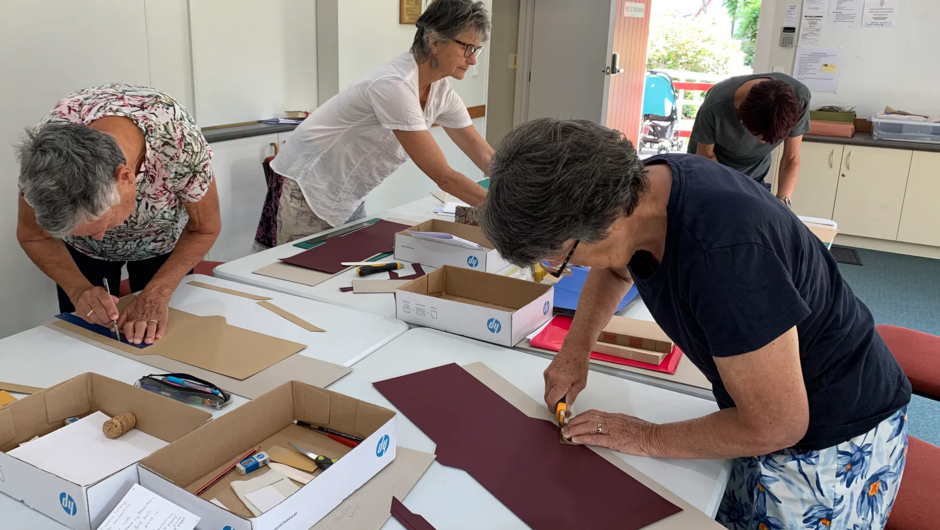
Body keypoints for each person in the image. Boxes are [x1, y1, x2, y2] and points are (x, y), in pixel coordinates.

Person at [481, 118, 911, 530]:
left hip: (833, 438)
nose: (559, 267)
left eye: (558, 259)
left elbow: (777, 424)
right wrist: (575, 352)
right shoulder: (646, 187)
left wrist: (647, 437)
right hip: (763, 410)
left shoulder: (724, 258)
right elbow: (616, 268)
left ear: (602, 223)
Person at [258, 0, 494, 250]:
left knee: (345, 262)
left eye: (476, 50)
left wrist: (519, 191)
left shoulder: (440, 91)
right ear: (434, 42)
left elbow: (485, 155)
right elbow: (443, 176)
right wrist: (500, 208)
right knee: (293, 271)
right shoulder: (394, 85)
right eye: (467, 48)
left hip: (347, 192)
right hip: (307, 185)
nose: (472, 60)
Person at [17, 83, 220, 345]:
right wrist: (79, 291)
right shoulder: (42, 162)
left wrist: (158, 294)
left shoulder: (177, 141)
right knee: (85, 340)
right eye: (84, 229)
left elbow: (205, 227)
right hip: (81, 255)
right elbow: (34, 236)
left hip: (163, 245)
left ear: (126, 178)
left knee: (170, 341)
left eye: (101, 224)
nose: (102, 238)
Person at [687, 73, 810, 207]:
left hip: (754, 173)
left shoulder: (799, 98)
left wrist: (782, 203)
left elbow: (791, 158)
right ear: (742, 117)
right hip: (711, 170)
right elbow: (706, 156)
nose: (762, 143)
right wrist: (728, 196)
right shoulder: (715, 106)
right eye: (758, 135)